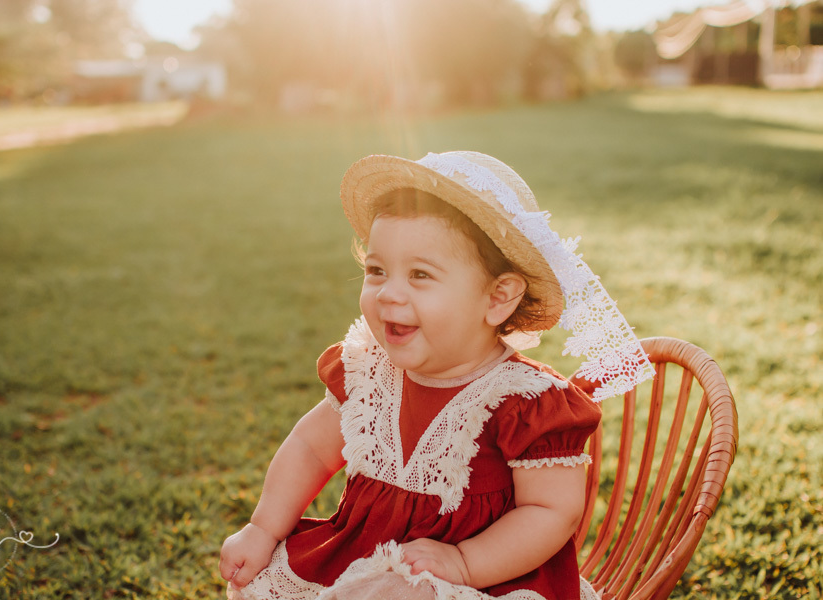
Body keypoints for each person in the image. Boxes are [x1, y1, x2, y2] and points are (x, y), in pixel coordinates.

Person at [218, 151, 654, 600]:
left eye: (420, 274)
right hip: (364, 560)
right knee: (260, 580)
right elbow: (311, 448)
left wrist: (465, 563)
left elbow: (551, 512)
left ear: (498, 297)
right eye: (376, 270)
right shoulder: (369, 375)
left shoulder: (524, 402)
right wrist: (263, 527)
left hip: (486, 579)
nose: (388, 293)